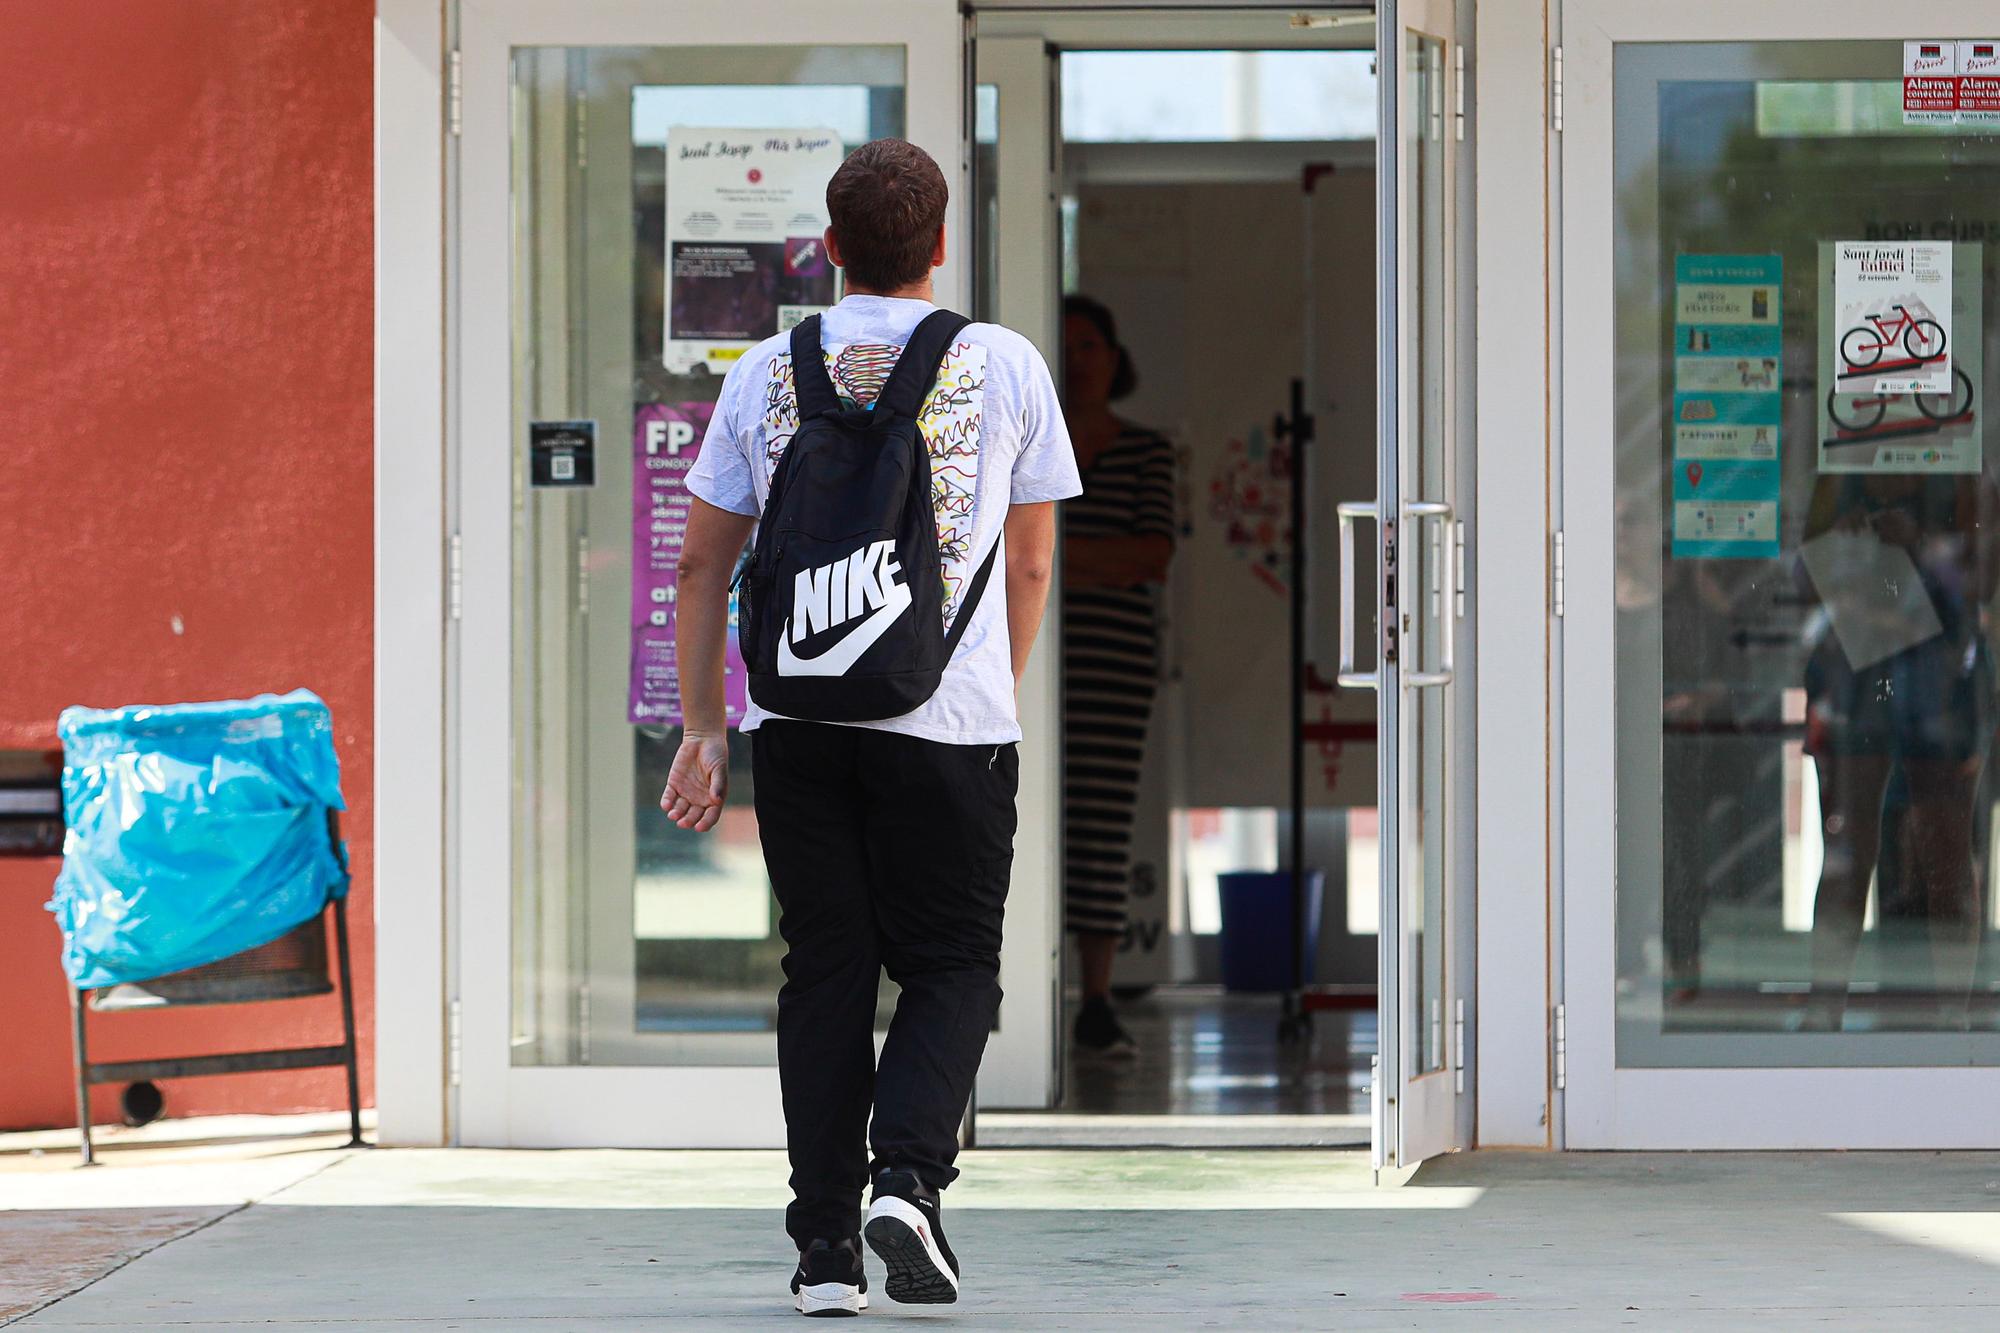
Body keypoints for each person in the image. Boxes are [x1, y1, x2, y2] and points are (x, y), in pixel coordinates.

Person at [662, 138, 1080, 1316]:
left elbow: (702, 561)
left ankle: (824, 1251)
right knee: (951, 965)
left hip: (799, 720)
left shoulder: (762, 373)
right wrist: (986, 690)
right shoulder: (1002, 366)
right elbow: (1036, 560)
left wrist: (705, 724)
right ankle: (906, 1174)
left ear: (829, 247)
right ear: (938, 246)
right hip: (948, 724)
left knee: (827, 970)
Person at [1798, 471, 1996, 1033]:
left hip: (1937, 687)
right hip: (1859, 680)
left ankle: (1954, 1017)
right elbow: (1797, 579)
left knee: (1948, 850)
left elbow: (1983, 580)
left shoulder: (1961, 469)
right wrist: (1841, 546)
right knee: (1846, 852)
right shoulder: (1840, 469)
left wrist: (1923, 546)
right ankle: (1824, 1008)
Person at [1059, 294, 1177, 1058]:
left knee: (1102, 822)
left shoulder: (1146, 449)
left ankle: (1095, 1000)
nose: (1077, 360)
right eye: (1063, 345)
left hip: (1115, 663)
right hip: (1032, 661)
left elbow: (1152, 554)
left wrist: (1055, 565)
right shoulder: (1026, 440)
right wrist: (1092, 564)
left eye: (1090, 345)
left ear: (1115, 355)